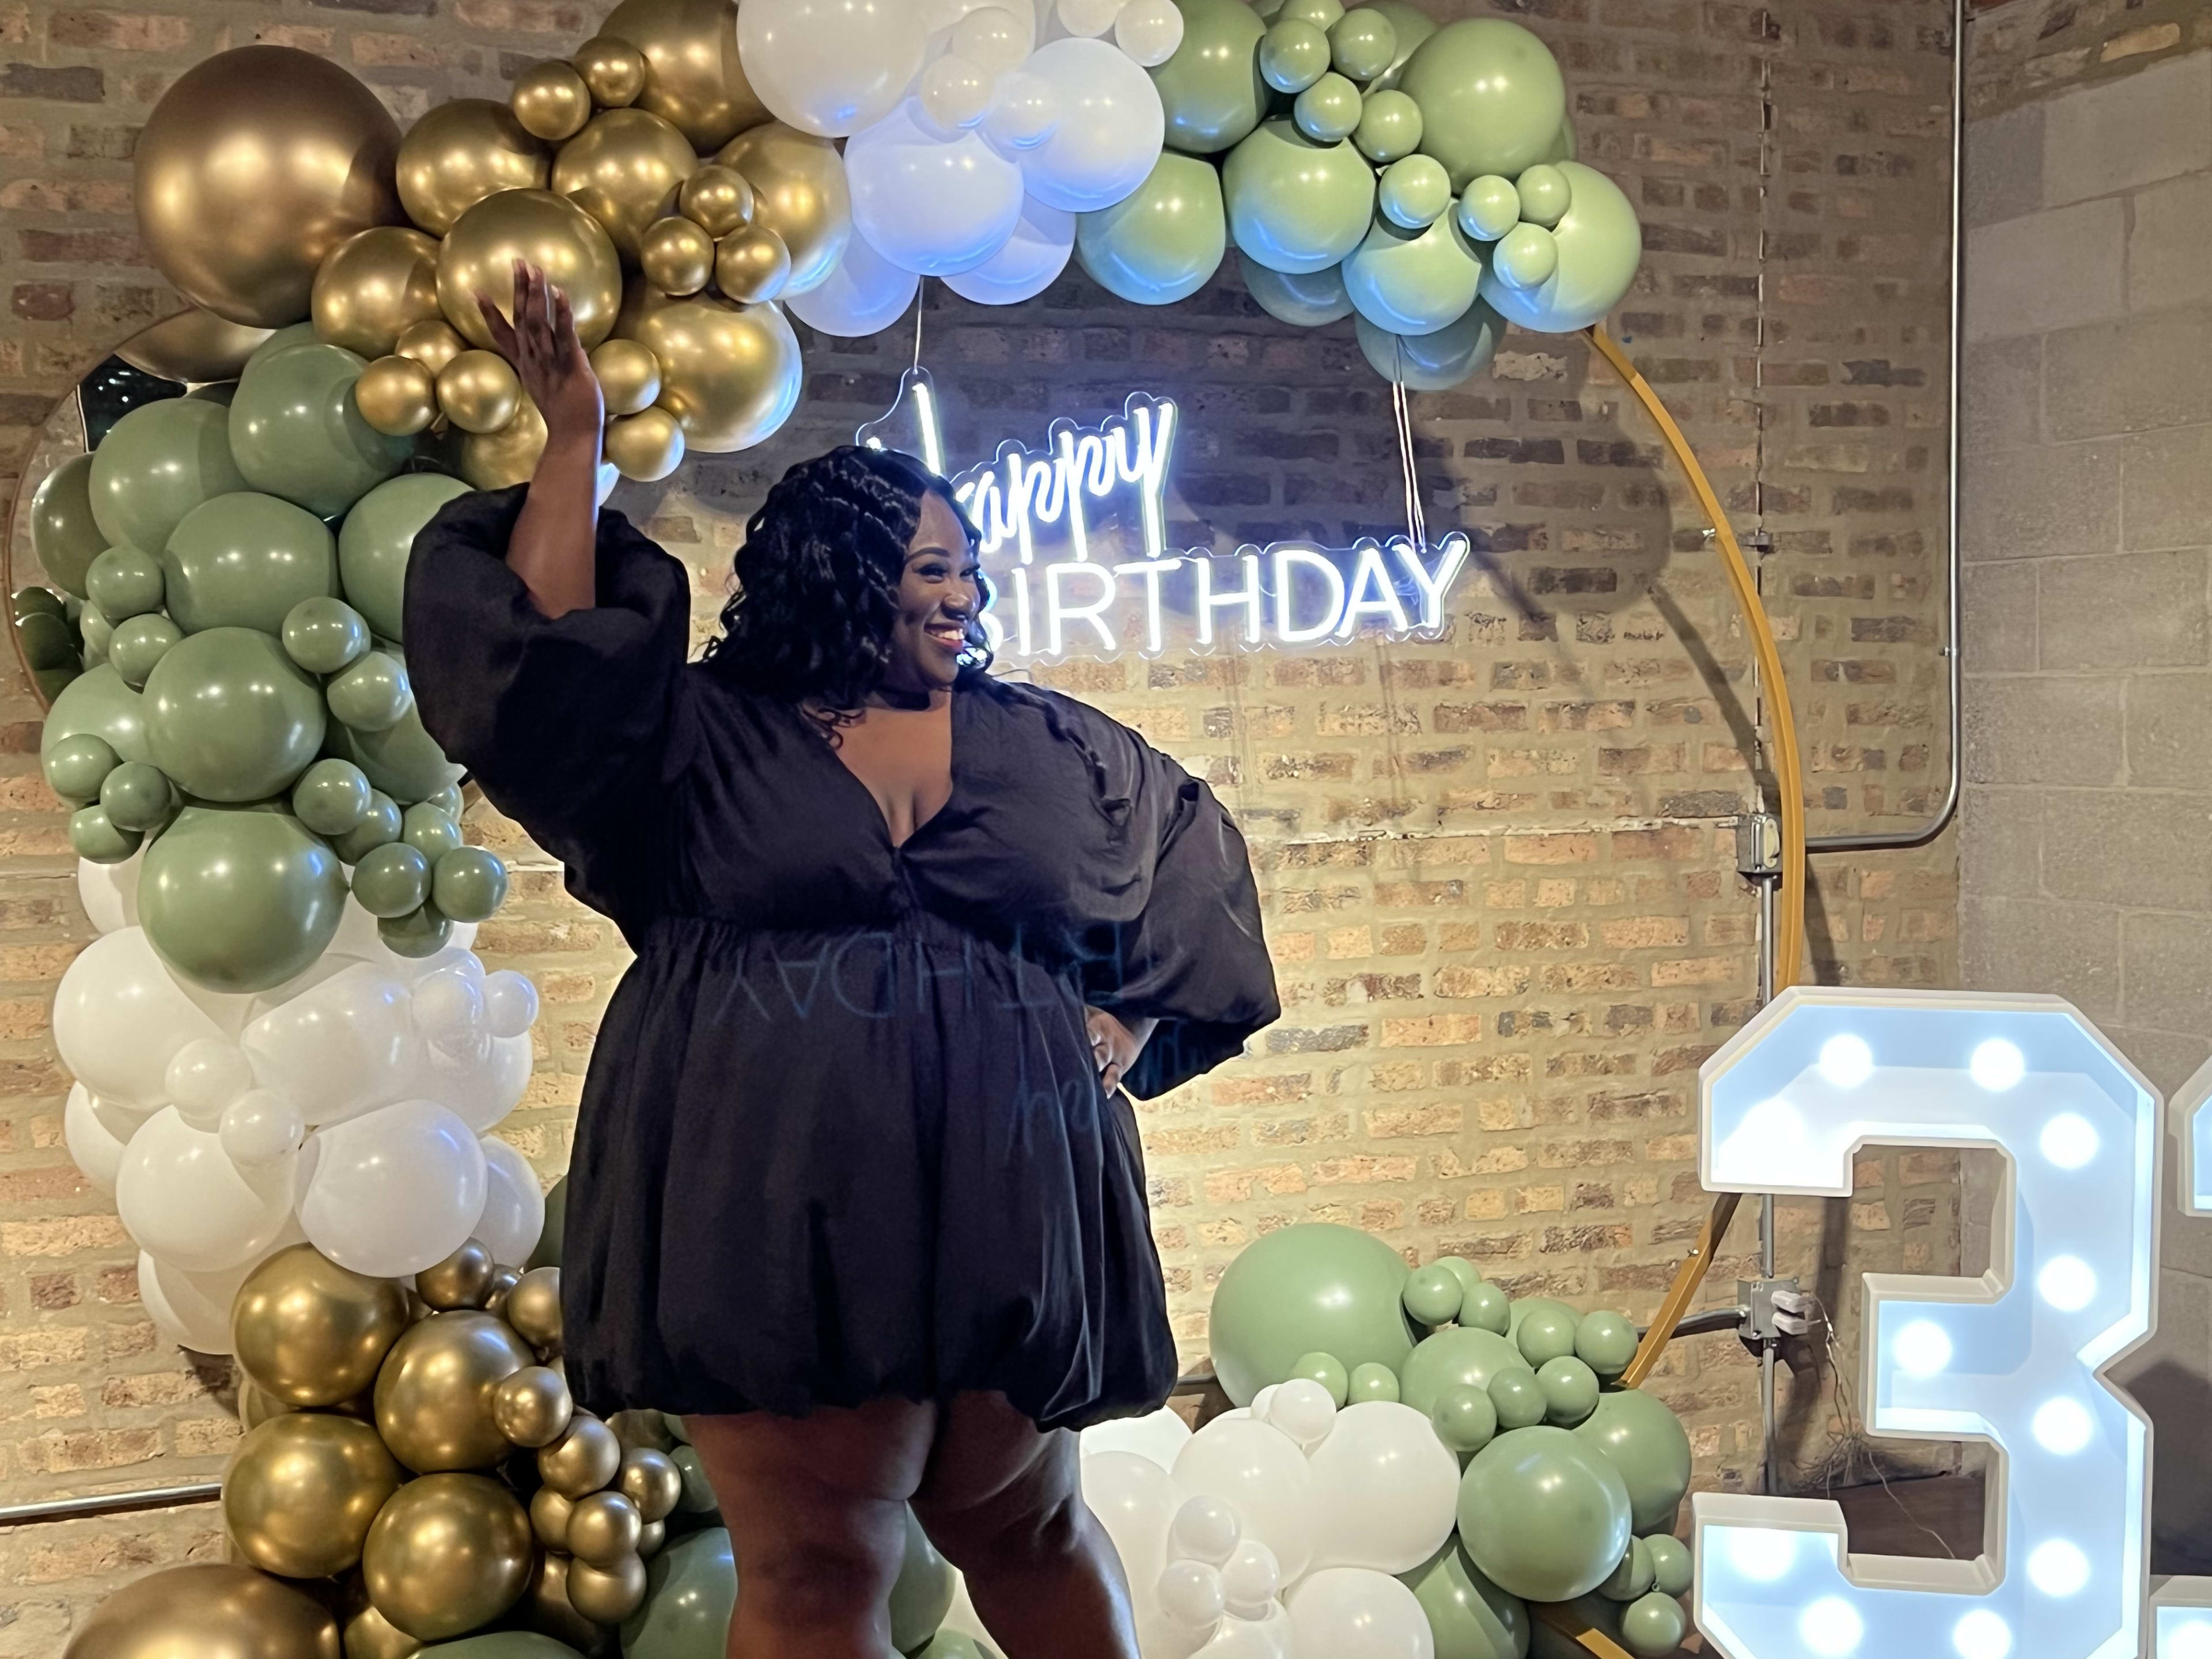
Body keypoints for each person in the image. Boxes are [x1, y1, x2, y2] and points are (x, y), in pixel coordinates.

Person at [404, 262, 1281, 1659]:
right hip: (775, 1188)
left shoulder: (1034, 736)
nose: (966, 587)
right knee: (816, 1572)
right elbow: (547, 678)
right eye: (932, 563)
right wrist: (571, 443)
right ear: (839, 574)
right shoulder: (698, 735)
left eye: (966, 564)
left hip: (1015, 1192)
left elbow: (1184, 842)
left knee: (1032, 1530)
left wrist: (1132, 1018)